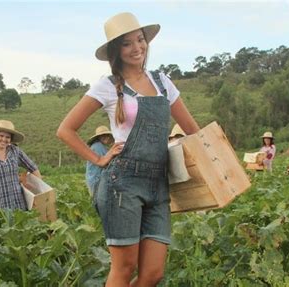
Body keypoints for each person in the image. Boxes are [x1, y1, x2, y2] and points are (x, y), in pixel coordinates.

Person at [56, 12, 199, 287]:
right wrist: (99, 159)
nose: (137, 48)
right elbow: (65, 130)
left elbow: (192, 128)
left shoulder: (163, 82)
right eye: (127, 43)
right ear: (116, 51)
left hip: (158, 183)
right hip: (122, 184)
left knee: (153, 273)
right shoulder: (107, 86)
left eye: (140, 39)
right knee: (124, 269)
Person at [0, 120, 41, 212]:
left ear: (11, 139)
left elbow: (33, 168)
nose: (4, 139)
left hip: (17, 204)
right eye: (1, 136)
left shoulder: (15, 151)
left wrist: (39, 189)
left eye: (7, 137)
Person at [85, 126, 120, 196]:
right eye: (103, 135)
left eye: (107, 135)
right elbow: (106, 163)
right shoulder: (97, 146)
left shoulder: (100, 146)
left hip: (95, 179)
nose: (106, 137)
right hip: (97, 180)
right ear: (98, 137)